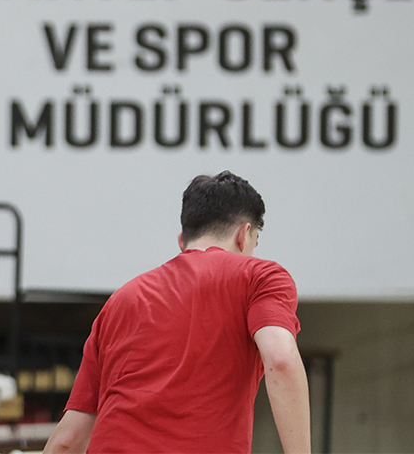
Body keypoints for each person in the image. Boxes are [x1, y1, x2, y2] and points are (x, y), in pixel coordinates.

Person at [44, 171, 310, 454]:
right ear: (244, 236)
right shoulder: (259, 277)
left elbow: (67, 441)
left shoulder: (122, 300)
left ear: (182, 240)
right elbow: (281, 360)